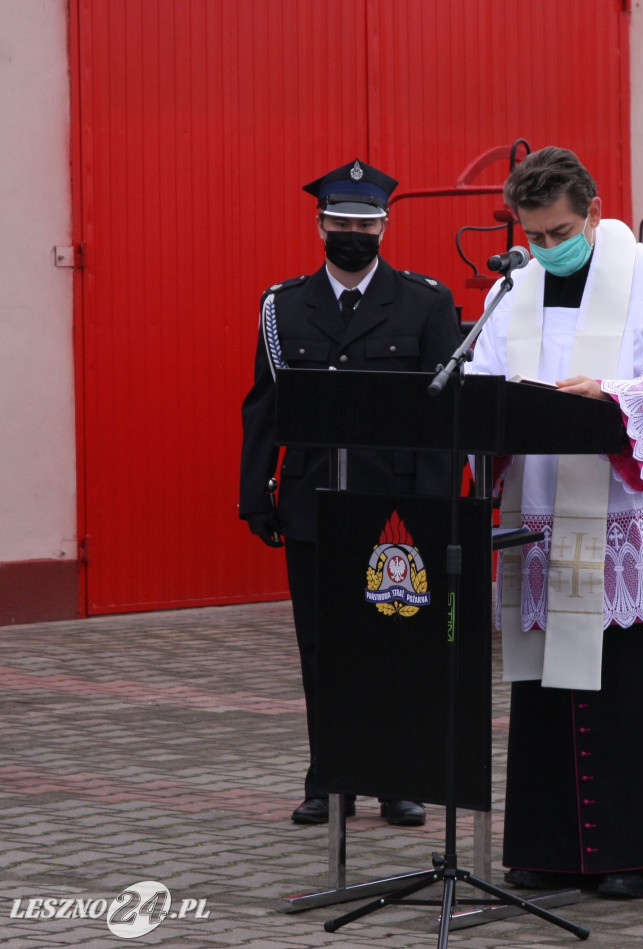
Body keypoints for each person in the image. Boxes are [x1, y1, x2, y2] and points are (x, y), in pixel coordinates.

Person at [469, 146, 643, 899]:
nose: (548, 249)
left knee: (631, 685)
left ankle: (639, 846)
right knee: (547, 687)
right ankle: (549, 845)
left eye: (560, 232)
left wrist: (612, 394)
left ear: (595, 213)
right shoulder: (512, 290)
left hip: (626, 518)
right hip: (544, 515)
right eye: (535, 237)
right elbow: (482, 376)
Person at [239, 159, 463, 827]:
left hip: (394, 504)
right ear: (319, 224)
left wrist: (432, 507)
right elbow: (264, 405)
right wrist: (257, 492)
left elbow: (442, 419)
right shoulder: (282, 307)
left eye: (365, 225)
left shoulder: (427, 302)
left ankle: (398, 778)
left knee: (395, 640)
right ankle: (329, 777)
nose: (352, 235)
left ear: (384, 227)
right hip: (313, 503)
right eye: (340, 223)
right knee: (322, 645)